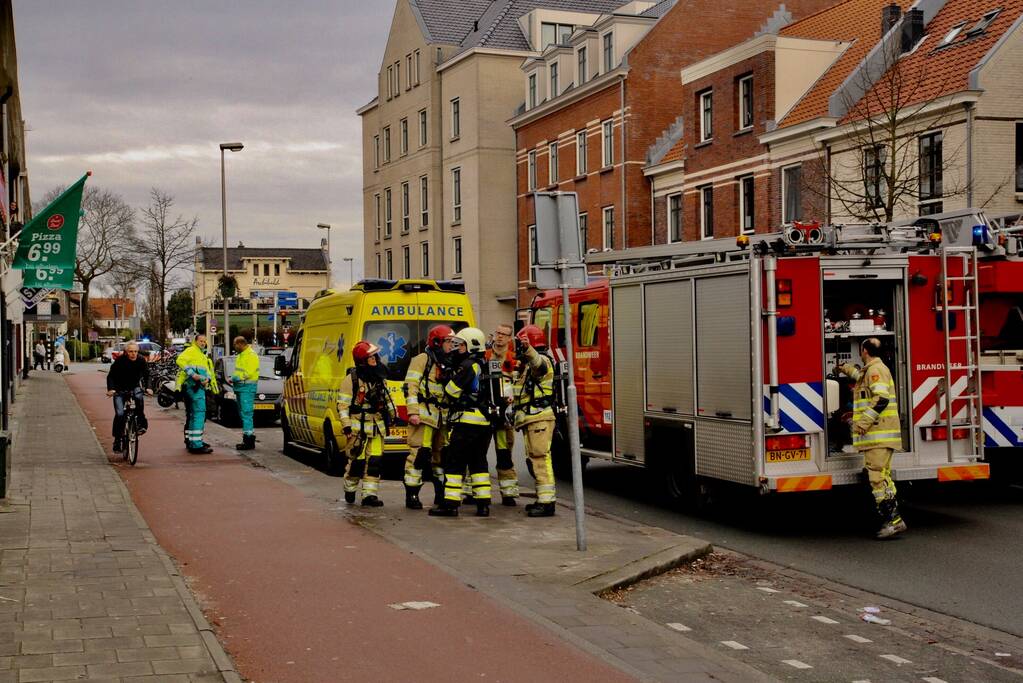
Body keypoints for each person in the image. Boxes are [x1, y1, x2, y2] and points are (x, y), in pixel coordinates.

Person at [836, 338, 906, 539]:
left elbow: (881, 399)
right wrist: (847, 369)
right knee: (884, 477)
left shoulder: (876, 371)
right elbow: (863, 380)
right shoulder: (873, 370)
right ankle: (894, 519)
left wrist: (861, 424)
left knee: (876, 478)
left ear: (864, 350)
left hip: (878, 436)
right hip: (881, 436)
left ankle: (893, 521)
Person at [429, 327, 494, 518]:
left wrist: (449, 375)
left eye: (461, 344)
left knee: (454, 463)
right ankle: (483, 505)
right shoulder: (486, 363)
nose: (457, 348)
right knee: (479, 464)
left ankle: (450, 505)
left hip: (466, 423)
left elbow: (451, 391)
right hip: (484, 423)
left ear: (471, 346)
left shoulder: (467, 365)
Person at [338, 340, 396, 507]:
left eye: (375, 356)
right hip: (359, 428)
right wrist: (346, 425)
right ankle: (350, 488)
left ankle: (369, 495)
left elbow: (387, 399)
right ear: (363, 360)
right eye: (371, 357)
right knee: (358, 462)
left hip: (377, 426)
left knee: (375, 462)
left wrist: (393, 416)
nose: (375, 360)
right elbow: (343, 405)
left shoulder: (378, 377)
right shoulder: (351, 380)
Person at [402, 324, 454, 509]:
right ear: (437, 342)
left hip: (443, 418)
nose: (451, 345)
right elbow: (411, 386)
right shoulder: (422, 359)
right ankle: (412, 495)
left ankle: (441, 494)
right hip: (424, 416)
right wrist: (413, 412)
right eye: (448, 341)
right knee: (419, 455)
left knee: (441, 457)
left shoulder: (449, 360)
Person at [512, 325, 558, 517]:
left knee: (540, 458)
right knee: (534, 459)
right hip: (531, 419)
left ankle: (547, 503)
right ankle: (542, 499)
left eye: (519, 344)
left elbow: (539, 365)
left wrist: (528, 350)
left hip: (539, 418)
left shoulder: (542, 360)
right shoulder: (525, 366)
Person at [479, 323, 519, 506]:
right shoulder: (484, 356)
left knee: (504, 453)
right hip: (486, 413)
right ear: (494, 335)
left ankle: (508, 493)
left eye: (504, 334)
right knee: (478, 452)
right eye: (498, 333)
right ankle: (475, 492)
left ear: (509, 338)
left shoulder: (515, 359)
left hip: (504, 416)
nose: (500, 337)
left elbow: (519, 384)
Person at [106, 341, 152, 452]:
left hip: (134, 387)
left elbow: (147, 375)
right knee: (120, 414)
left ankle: (141, 423)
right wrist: (111, 389)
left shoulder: (141, 360)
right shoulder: (120, 361)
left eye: (135, 351)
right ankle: (117, 440)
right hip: (119, 389)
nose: (133, 354)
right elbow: (110, 376)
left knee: (139, 398)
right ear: (126, 352)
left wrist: (149, 387)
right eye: (131, 351)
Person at [176, 334, 218, 454]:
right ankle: (196, 444)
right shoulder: (192, 351)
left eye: (205, 341)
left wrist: (207, 379)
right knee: (199, 414)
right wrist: (193, 375)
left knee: (193, 415)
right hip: (194, 387)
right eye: (201, 341)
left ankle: (191, 441)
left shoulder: (201, 354)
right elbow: (180, 360)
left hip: (198, 386)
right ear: (195, 341)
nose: (203, 343)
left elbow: (206, 371)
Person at [227, 335, 260, 451]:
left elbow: (248, 373)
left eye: (235, 345)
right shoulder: (241, 355)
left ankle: (249, 440)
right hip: (241, 387)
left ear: (240, 344)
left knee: (246, 413)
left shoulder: (251, 355)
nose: (234, 348)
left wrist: (234, 378)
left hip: (247, 387)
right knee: (243, 414)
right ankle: (247, 438)